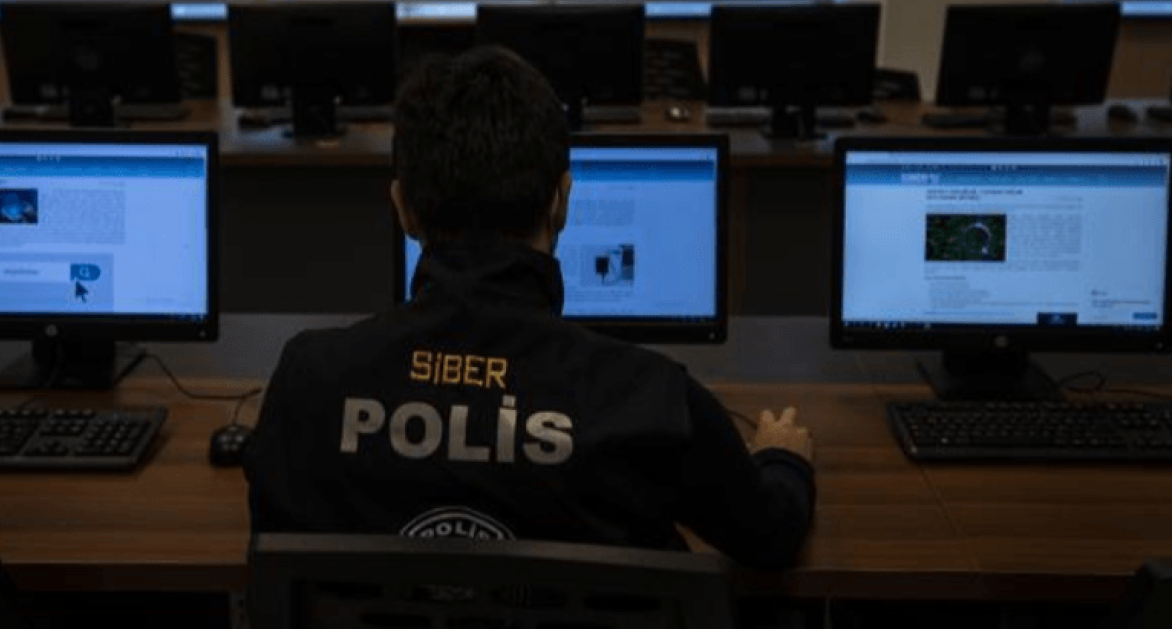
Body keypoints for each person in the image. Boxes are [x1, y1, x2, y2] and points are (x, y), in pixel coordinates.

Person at [243, 46, 815, 569]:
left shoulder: (306, 383)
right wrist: (784, 460)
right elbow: (770, 536)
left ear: (402, 209)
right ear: (562, 201)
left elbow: (276, 552)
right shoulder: (653, 401)